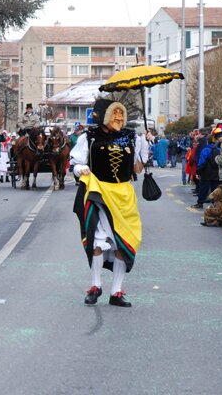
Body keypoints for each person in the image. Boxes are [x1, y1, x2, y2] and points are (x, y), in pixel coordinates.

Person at [70, 98, 146, 308]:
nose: (119, 119)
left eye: (121, 115)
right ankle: (96, 286)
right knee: (97, 242)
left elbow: (137, 170)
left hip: (124, 197)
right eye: (115, 115)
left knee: (123, 242)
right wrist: (80, 169)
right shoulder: (89, 137)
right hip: (99, 194)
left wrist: (143, 152)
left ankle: (116, 292)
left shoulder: (132, 137)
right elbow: (75, 163)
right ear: (104, 116)